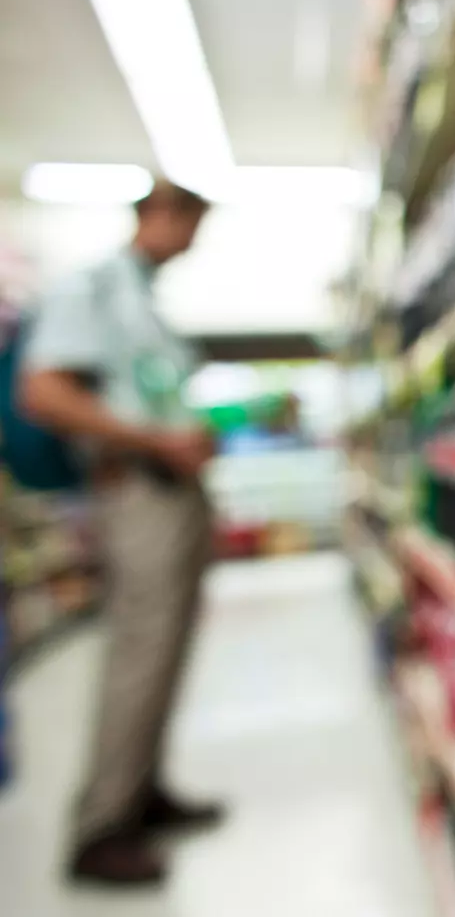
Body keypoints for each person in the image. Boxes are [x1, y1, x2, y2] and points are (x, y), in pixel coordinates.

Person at [19, 179, 225, 887]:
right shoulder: (93, 288)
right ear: (159, 215)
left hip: (169, 487)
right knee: (140, 654)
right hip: (136, 489)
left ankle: (142, 794)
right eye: (193, 224)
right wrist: (150, 440)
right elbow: (43, 392)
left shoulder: (141, 295)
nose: (195, 241)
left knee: (164, 651)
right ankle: (99, 830)